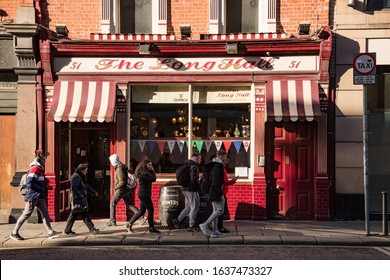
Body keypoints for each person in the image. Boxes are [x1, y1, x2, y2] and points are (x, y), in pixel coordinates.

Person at [10, 150, 62, 241]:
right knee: (26, 214)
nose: (45, 160)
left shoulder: (40, 168)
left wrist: (44, 185)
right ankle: (14, 233)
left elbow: (37, 181)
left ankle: (50, 232)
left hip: (39, 196)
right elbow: (30, 183)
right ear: (39, 159)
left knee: (45, 213)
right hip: (33, 196)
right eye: (44, 158)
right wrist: (41, 189)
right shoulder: (35, 168)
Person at [125, 159, 160, 234]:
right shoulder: (142, 175)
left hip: (144, 194)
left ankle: (129, 224)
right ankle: (151, 228)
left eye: (151, 165)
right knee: (151, 210)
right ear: (145, 165)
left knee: (141, 211)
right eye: (149, 165)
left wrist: (151, 170)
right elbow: (154, 179)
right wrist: (152, 170)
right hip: (144, 195)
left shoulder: (145, 173)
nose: (151, 166)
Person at [64, 163, 99, 235]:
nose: (86, 172)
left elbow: (85, 186)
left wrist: (93, 192)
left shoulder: (80, 176)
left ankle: (67, 229)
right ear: (81, 170)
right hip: (78, 199)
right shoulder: (76, 177)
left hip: (79, 199)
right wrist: (80, 196)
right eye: (85, 170)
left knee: (74, 214)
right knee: (84, 214)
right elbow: (74, 188)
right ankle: (92, 229)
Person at [199, 149, 227, 238]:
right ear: (221, 156)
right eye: (225, 156)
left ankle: (214, 231)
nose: (226, 158)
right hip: (216, 192)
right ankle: (205, 224)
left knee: (215, 211)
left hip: (213, 191)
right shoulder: (217, 166)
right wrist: (219, 191)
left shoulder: (215, 165)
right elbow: (215, 181)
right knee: (220, 210)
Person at [107, 154, 139, 227]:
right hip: (126, 189)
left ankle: (112, 221)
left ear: (113, 161)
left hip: (121, 189)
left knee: (112, 204)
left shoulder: (119, 169)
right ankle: (142, 216)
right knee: (129, 205)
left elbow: (122, 182)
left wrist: (115, 187)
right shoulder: (122, 166)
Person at [172, 153, 202, 232]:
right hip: (192, 190)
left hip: (184, 189)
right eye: (200, 158)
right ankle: (191, 226)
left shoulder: (186, 165)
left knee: (189, 207)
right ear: (196, 159)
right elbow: (193, 180)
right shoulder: (194, 166)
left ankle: (178, 220)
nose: (201, 160)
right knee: (194, 207)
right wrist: (198, 187)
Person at [217, 156, 237, 233]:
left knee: (220, 211)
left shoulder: (222, 169)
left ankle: (218, 226)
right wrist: (232, 181)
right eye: (226, 160)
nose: (227, 162)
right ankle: (216, 226)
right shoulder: (220, 169)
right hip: (220, 192)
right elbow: (223, 181)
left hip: (222, 192)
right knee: (220, 211)